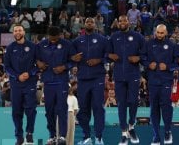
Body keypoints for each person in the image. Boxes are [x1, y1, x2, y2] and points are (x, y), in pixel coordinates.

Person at [108, 15, 146, 145]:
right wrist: (110, 55)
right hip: (119, 75)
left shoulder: (138, 36)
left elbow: (145, 53)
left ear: (129, 22)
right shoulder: (113, 37)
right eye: (120, 21)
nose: (122, 22)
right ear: (118, 23)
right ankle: (124, 131)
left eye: (124, 20)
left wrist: (139, 58)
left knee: (134, 101)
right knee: (121, 104)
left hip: (133, 75)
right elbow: (107, 53)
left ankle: (131, 125)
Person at [72, 17, 109, 145]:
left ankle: (99, 137)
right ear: (84, 24)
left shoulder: (103, 40)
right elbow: (71, 56)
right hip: (83, 79)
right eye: (87, 22)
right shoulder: (77, 41)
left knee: (98, 108)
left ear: (95, 24)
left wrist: (98, 60)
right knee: (83, 109)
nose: (89, 23)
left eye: (91, 22)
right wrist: (74, 59)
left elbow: (108, 55)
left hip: (97, 77)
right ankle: (86, 136)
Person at [36, 26, 75, 145]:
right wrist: (39, 63)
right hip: (48, 82)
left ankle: (62, 136)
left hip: (62, 81)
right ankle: (52, 135)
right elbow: (35, 59)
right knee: (49, 110)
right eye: (51, 39)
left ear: (60, 35)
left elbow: (73, 60)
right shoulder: (41, 45)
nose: (53, 41)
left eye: (55, 38)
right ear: (48, 36)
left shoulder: (67, 44)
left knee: (62, 109)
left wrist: (64, 67)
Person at [145, 24, 179, 145]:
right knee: (154, 109)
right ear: (155, 32)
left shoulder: (172, 45)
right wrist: (148, 64)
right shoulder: (148, 43)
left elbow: (178, 62)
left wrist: (168, 67)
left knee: (166, 107)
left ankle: (167, 131)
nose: (159, 35)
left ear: (166, 33)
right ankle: (156, 136)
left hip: (166, 80)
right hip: (153, 81)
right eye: (158, 33)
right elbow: (143, 58)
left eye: (162, 33)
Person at [4, 24, 38, 145]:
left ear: (24, 32)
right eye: (15, 31)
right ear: (13, 33)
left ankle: (29, 133)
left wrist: (30, 73)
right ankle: (19, 136)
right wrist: (17, 76)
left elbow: (38, 64)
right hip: (16, 84)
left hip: (30, 83)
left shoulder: (33, 47)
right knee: (16, 111)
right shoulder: (9, 48)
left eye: (19, 30)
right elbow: (6, 67)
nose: (17, 32)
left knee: (31, 109)